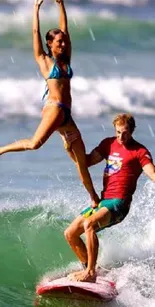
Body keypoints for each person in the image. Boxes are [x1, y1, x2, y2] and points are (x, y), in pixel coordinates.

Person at [0, 0, 99, 208]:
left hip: (67, 116)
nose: (62, 44)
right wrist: (36, 9)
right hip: (54, 109)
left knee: (82, 161)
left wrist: (60, 4)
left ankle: (94, 198)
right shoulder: (44, 61)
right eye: (58, 42)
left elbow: (65, 29)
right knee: (35, 144)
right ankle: (1, 149)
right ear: (49, 45)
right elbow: (35, 32)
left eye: (63, 41)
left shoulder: (66, 60)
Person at [64, 113, 155, 283]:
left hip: (119, 204)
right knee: (70, 233)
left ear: (133, 131)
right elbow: (85, 162)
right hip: (104, 201)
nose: (121, 137)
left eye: (126, 133)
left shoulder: (140, 152)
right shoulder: (109, 144)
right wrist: (69, 147)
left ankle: (90, 273)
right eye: (118, 132)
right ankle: (88, 268)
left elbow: (152, 172)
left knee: (89, 224)